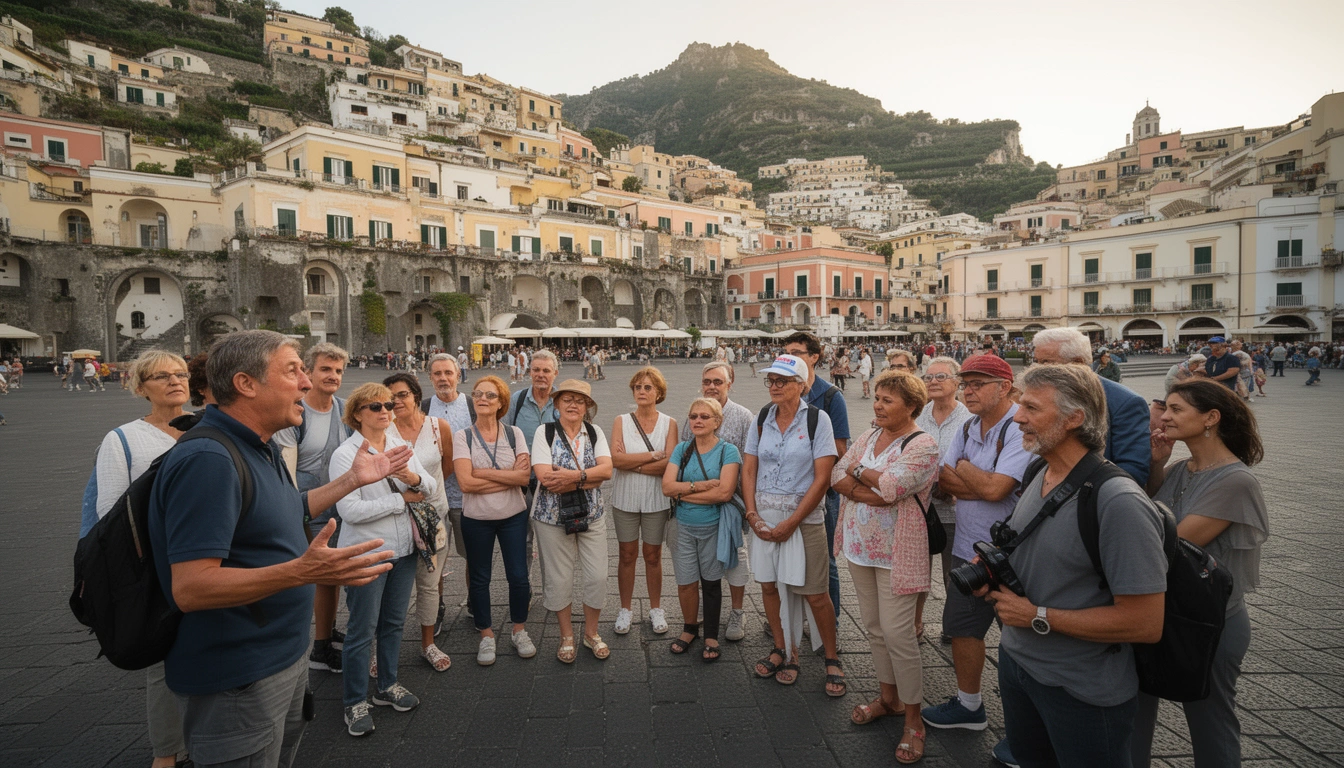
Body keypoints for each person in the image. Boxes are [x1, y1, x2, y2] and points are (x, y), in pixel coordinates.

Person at [147, 330, 411, 767]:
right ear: (246, 384)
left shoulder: (259, 445)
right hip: (239, 674)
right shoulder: (209, 458)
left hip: (279, 657)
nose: (307, 383)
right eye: (293, 371)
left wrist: (351, 481)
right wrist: (302, 572)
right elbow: (191, 587)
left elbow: (288, 508)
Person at [987, 364, 1167, 767]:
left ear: (1074, 418)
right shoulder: (1039, 470)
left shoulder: (1118, 501)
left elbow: (1144, 622)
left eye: (1031, 408)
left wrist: (1037, 616)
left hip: (1081, 688)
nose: (1017, 417)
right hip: (1020, 667)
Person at [1130, 380, 1268, 767]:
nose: (1164, 416)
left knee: (1210, 720)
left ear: (1211, 418)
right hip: (1162, 610)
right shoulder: (1180, 468)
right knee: (1135, 710)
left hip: (1209, 622)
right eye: (1165, 408)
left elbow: (1172, 542)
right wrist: (1156, 464)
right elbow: (1155, 507)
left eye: (1176, 409)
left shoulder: (1235, 480)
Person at [832, 370, 939, 764]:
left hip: (898, 551)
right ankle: (889, 698)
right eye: (876, 398)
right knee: (875, 630)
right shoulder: (869, 436)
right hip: (861, 548)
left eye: (887, 400)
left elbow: (893, 488)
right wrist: (868, 488)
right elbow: (835, 474)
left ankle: (915, 719)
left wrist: (860, 475)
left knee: (899, 634)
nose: (877, 405)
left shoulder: (924, 444)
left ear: (911, 405)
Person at [921, 353, 1031, 736]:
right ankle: (969, 705)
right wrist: (978, 481)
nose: (969, 390)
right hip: (969, 549)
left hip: (1013, 556)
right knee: (963, 627)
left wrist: (969, 474)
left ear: (1005, 387)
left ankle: (1030, 726)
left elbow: (997, 488)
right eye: (966, 383)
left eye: (978, 383)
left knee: (1020, 639)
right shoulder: (969, 427)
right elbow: (943, 481)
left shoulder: (1019, 426)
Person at [91, 350, 192, 768]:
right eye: (161, 376)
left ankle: (205, 738)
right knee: (163, 660)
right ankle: (166, 753)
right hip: (156, 566)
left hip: (209, 559)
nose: (174, 381)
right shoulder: (123, 439)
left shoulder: (205, 427)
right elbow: (110, 515)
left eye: (181, 373)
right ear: (140, 386)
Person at [329, 383, 439, 737]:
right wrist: (401, 500)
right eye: (375, 405)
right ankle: (354, 701)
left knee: (393, 622)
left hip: (404, 549)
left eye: (389, 404)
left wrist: (413, 478)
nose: (384, 410)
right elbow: (349, 509)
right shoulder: (345, 455)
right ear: (358, 413)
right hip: (366, 552)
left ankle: (387, 685)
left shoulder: (399, 446)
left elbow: (431, 487)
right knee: (361, 629)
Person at [742, 355, 844, 696]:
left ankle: (831, 657)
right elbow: (749, 469)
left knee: (815, 592)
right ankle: (785, 650)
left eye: (782, 381)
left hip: (804, 519)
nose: (774, 386)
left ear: (801, 385)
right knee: (769, 587)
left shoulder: (818, 420)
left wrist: (793, 520)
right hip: (765, 519)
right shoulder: (762, 417)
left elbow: (822, 477)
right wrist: (752, 515)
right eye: (771, 380)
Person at [274, 343, 353, 675]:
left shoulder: (346, 409)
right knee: (323, 575)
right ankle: (320, 648)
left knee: (332, 575)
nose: (332, 376)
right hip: (309, 505)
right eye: (325, 369)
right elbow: (287, 471)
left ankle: (327, 628)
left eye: (337, 371)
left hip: (343, 504)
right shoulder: (293, 415)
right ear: (307, 371)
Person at [453, 375, 536, 665]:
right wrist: (507, 477)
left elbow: (524, 477)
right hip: (476, 518)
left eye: (490, 395)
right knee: (480, 578)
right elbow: (465, 484)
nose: (482, 399)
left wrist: (482, 473)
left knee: (518, 575)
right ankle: (486, 634)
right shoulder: (462, 436)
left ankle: (519, 629)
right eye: (478, 394)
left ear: (501, 402)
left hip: (513, 515)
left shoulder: (514, 434)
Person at [530, 380, 614, 663]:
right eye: (567, 399)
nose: (574, 404)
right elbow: (545, 477)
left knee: (598, 575)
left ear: (588, 406)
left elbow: (607, 470)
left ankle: (591, 632)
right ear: (556, 404)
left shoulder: (595, 431)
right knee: (558, 578)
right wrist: (589, 478)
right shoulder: (545, 432)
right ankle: (566, 635)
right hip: (551, 517)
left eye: (580, 400)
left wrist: (572, 477)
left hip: (592, 514)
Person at [678, 361, 755, 640]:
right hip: (699, 500)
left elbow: (749, 465)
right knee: (701, 559)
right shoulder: (695, 412)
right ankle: (704, 610)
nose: (712, 386)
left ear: (729, 384)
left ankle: (737, 612)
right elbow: (684, 455)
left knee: (735, 558)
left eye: (718, 382)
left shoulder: (743, 416)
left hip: (731, 503)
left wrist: (749, 508)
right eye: (707, 381)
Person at [384, 372, 455, 672]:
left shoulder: (438, 427)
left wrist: (427, 492)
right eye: (389, 398)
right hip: (394, 518)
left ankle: (428, 644)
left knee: (428, 584)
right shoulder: (382, 429)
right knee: (388, 588)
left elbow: (447, 465)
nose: (396, 401)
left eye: (402, 395)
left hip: (433, 517)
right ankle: (382, 649)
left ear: (415, 395)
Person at [662, 397, 742, 661]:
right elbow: (666, 487)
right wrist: (701, 487)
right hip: (682, 526)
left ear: (717, 422)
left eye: (704, 417)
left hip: (713, 526)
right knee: (685, 582)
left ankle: (710, 635)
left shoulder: (728, 451)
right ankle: (689, 629)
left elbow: (725, 493)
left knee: (710, 582)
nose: (697, 421)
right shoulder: (682, 449)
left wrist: (682, 493)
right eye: (693, 416)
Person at [781, 332, 850, 624]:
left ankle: (827, 621)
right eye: (786, 352)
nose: (789, 357)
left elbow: (841, 449)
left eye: (796, 352)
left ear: (813, 357)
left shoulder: (831, 396)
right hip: (788, 490)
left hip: (824, 493)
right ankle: (792, 617)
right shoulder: (782, 390)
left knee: (825, 561)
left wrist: (801, 448)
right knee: (788, 554)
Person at [1030, 328, 1151, 487]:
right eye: (1036, 362)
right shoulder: (1039, 397)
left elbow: (1132, 471)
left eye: (1046, 363)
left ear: (1078, 362)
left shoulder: (1125, 402)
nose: (1037, 369)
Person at [610, 367, 678, 636]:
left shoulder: (669, 423)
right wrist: (652, 456)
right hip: (624, 498)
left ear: (658, 393)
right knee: (626, 555)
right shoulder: (621, 421)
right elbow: (616, 461)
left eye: (648, 387)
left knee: (653, 556)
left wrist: (633, 463)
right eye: (637, 387)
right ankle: (625, 608)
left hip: (655, 500)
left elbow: (670, 464)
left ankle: (655, 607)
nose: (641, 391)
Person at [913, 357, 972, 640]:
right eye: (928, 377)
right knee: (916, 572)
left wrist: (952, 483)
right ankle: (915, 624)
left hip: (955, 510)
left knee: (954, 573)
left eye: (941, 377)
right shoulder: (917, 415)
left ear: (957, 382)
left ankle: (953, 626)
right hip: (918, 509)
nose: (933, 382)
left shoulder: (970, 419)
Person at [421, 353, 474, 611]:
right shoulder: (423, 407)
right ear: (430, 377)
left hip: (466, 497)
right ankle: (436, 607)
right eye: (438, 374)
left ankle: (474, 601)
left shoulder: (472, 405)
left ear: (458, 375)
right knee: (434, 558)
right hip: (433, 500)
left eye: (448, 373)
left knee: (473, 557)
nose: (443, 379)